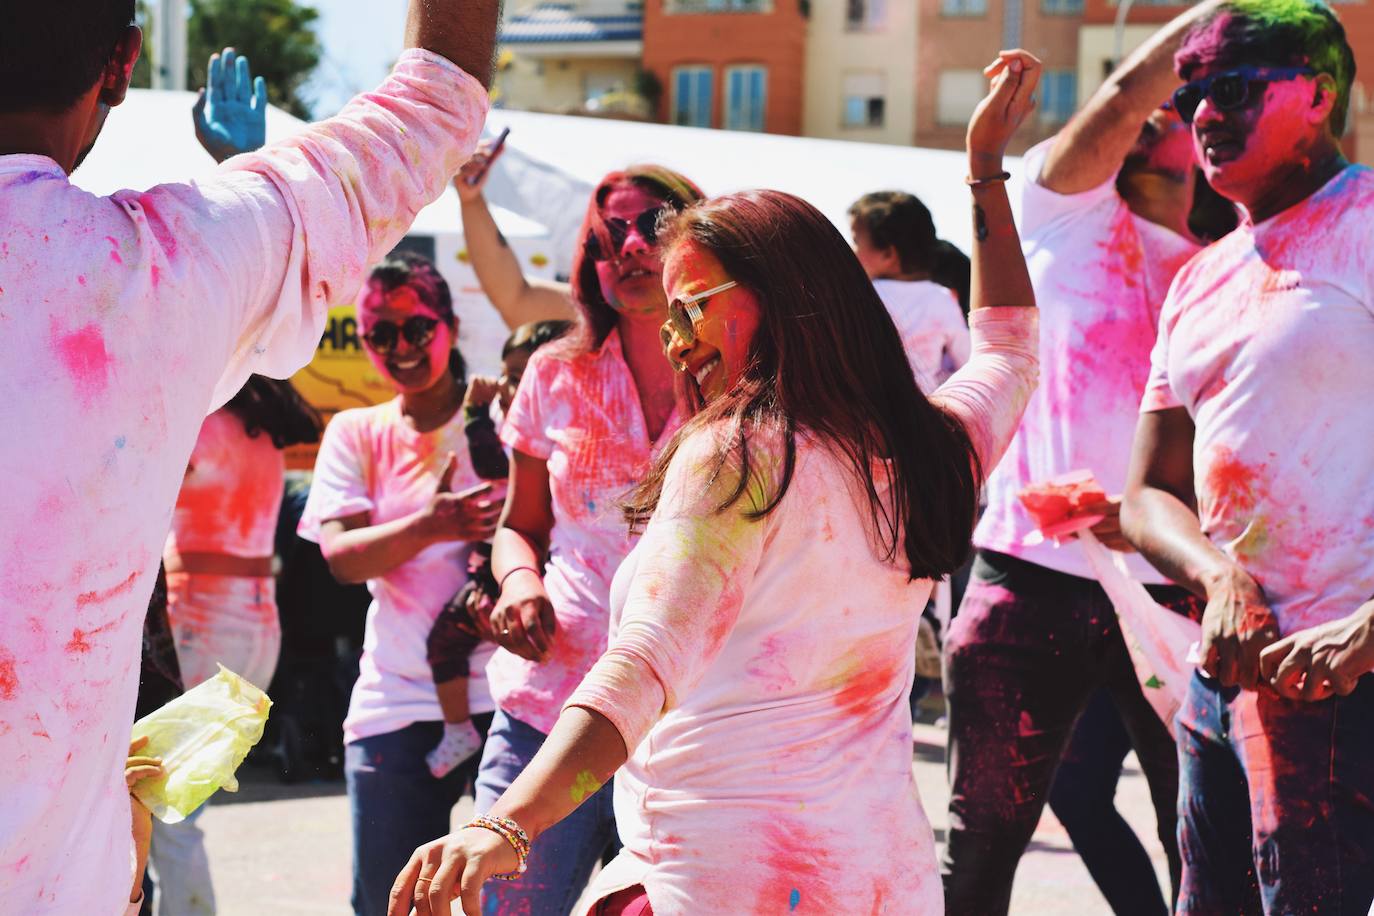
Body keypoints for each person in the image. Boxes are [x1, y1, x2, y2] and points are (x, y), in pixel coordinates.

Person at [388, 49, 1043, 916]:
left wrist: (506, 824)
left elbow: (644, 665)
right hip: (877, 882)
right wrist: (985, 168)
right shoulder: (928, 448)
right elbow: (1009, 348)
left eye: (693, 305)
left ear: (784, 297)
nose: (674, 335)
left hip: (725, 881)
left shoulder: (741, 456)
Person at [0, 0, 499, 909]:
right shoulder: (159, 283)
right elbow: (436, 102)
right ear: (122, 65)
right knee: (169, 809)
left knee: (169, 807)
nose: (395, 342)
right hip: (206, 657)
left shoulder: (192, 319)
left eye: (415, 325)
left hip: (217, 639)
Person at [938, 5, 1232, 913]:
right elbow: (1118, 96)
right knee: (981, 844)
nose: (1153, 119)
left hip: (1173, 587)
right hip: (1030, 576)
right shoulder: (1061, 213)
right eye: (1150, 109)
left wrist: (1154, 513)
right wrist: (1215, 15)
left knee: (1210, 841)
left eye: (1181, 110)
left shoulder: (1227, 268)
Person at [1121, 0, 1374, 911]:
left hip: (1345, 676)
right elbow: (1148, 490)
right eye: (1191, 93)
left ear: (1315, 94)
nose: (1202, 114)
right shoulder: (1200, 277)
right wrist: (1218, 577)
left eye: (1230, 87)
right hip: (1221, 680)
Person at [462, 164, 704, 916]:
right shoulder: (553, 374)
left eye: (652, 226)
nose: (631, 248)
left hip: (691, 726)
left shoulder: (745, 375)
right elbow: (520, 528)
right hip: (552, 708)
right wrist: (520, 582)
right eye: (611, 235)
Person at [297, 252, 505, 915]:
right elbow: (342, 559)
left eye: (415, 329)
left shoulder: (499, 418)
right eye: (379, 335)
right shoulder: (357, 433)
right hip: (396, 700)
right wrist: (429, 524)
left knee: (513, 903)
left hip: (512, 697)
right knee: (391, 903)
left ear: (448, 325)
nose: (400, 349)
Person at [150, 376, 320, 916]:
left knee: (163, 805)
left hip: (199, 628)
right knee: (176, 801)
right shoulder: (263, 438)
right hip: (255, 631)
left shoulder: (201, 429)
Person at [424, 319, 573, 780]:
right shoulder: (515, 429)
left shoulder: (553, 437)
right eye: (508, 376)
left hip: (521, 581)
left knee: (451, 639)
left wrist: (473, 414)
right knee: (445, 643)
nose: (511, 388)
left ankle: (460, 730)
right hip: (494, 575)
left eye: (523, 375)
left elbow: (491, 463)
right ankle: (457, 729)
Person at [848, 191, 971, 390]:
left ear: (888, 254)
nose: (851, 251)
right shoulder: (941, 299)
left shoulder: (858, 298)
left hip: (865, 409)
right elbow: (966, 361)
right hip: (925, 409)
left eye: (855, 241)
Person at [454, 141, 577, 327]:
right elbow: (515, 298)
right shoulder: (602, 312)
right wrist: (471, 200)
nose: (630, 245)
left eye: (639, 226)